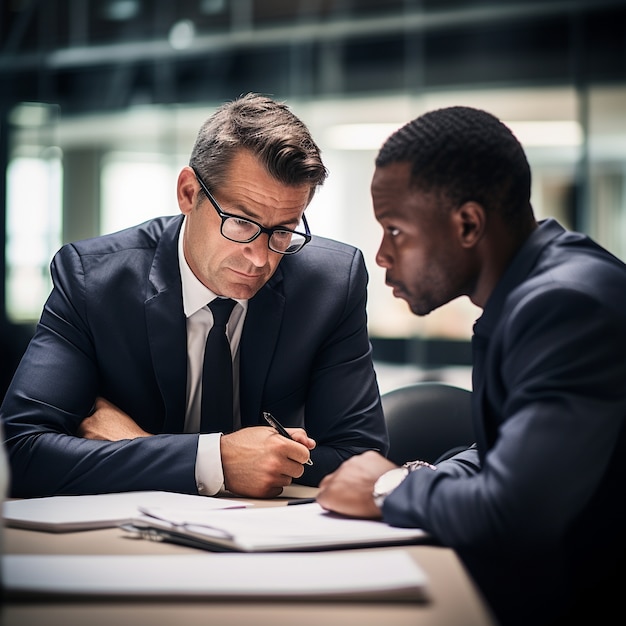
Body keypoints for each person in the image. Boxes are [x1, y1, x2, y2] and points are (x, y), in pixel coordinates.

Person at [316, 106, 626, 625]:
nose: (381, 254)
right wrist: (421, 475)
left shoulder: (568, 306)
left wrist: (386, 488)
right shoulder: (533, 290)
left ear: (467, 224)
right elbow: (506, 452)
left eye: (395, 230)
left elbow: (515, 513)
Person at [1, 93, 388, 500]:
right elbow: (18, 451)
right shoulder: (93, 280)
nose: (260, 258)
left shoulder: (329, 283)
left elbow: (362, 459)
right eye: (240, 222)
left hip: (267, 544)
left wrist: (136, 445)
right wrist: (214, 461)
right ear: (188, 193)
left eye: (283, 230)